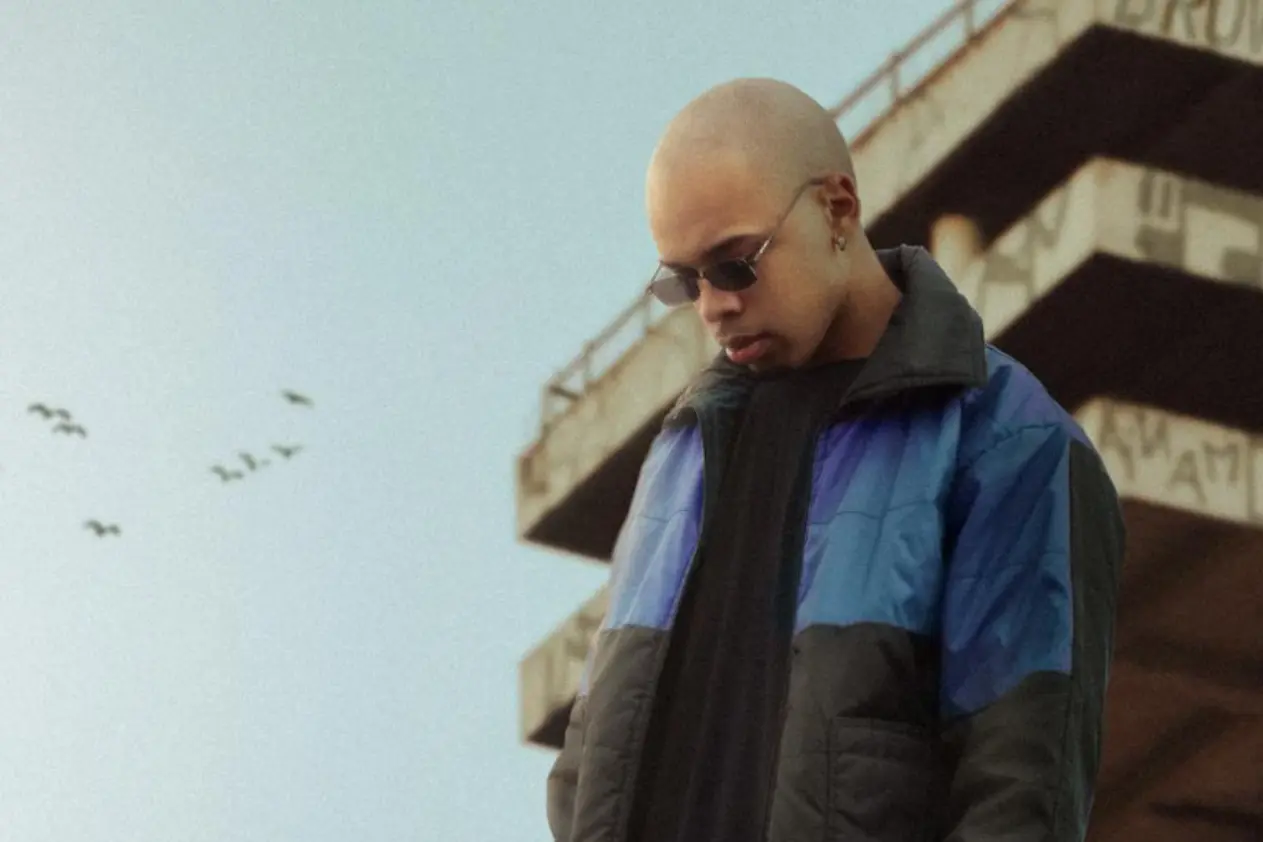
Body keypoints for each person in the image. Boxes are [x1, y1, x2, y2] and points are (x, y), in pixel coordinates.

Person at [545, 78, 1126, 842]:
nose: (712, 306)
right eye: (683, 281)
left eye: (734, 264)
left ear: (837, 210)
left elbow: (1019, 793)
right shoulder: (682, 451)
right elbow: (588, 764)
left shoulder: (1005, 441)